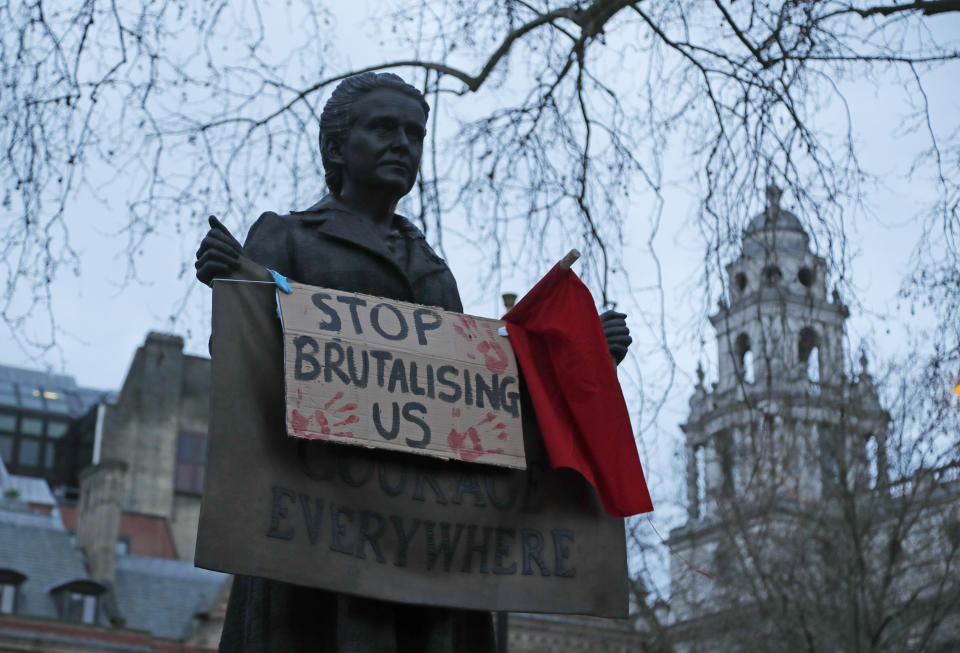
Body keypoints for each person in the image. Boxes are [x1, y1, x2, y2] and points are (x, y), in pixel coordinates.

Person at [195, 72, 631, 653]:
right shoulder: (289, 238)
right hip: (321, 543)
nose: (404, 143)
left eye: (415, 133)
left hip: (426, 550)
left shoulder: (433, 269)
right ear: (336, 147)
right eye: (384, 128)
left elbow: (474, 407)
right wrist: (237, 289)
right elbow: (245, 369)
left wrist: (577, 366)